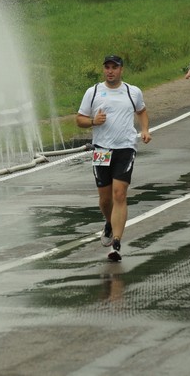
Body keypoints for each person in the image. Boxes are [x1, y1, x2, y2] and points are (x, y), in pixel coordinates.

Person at [77, 55, 152, 262]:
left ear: (121, 70)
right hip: (102, 149)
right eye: (107, 67)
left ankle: (116, 242)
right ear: (104, 70)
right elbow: (79, 119)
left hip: (125, 148)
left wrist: (145, 130)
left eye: (114, 67)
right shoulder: (93, 92)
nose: (110, 71)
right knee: (105, 198)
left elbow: (142, 111)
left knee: (119, 194)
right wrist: (93, 121)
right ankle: (109, 223)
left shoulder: (132, 91)